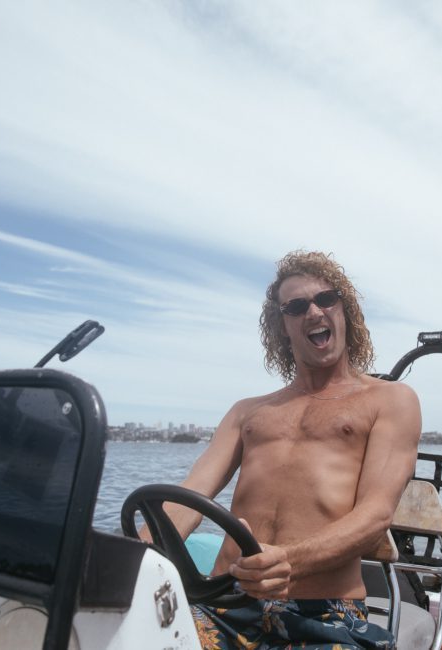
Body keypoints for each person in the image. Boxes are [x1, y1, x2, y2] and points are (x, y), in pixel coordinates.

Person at [142, 250, 421, 649]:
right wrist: (130, 556)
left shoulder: (391, 400)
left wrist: (290, 561)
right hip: (225, 604)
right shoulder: (247, 412)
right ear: (282, 326)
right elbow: (188, 498)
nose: (314, 312)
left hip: (326, 613)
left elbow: (375, 516)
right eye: (296, 306)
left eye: (326, 299)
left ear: (345, 311)